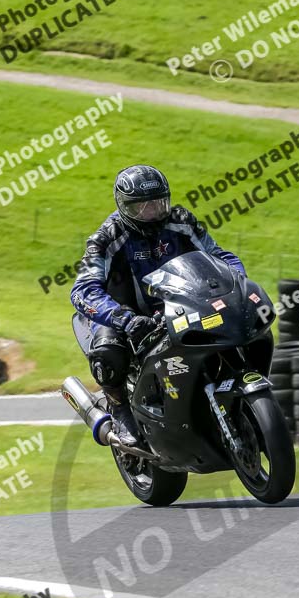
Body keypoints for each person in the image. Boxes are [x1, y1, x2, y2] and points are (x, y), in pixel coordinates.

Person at [71, 164, 245, 447]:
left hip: (183, 304)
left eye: (158, 203)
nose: (152, 212)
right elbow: (82, 290)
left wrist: (236, 281)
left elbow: (219, 255)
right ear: (124, 205)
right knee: (107, 352)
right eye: (142, 207)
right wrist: (124, 319)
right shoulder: (106, 238)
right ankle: (118, 407)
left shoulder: (182, 220)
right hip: (129, 316)